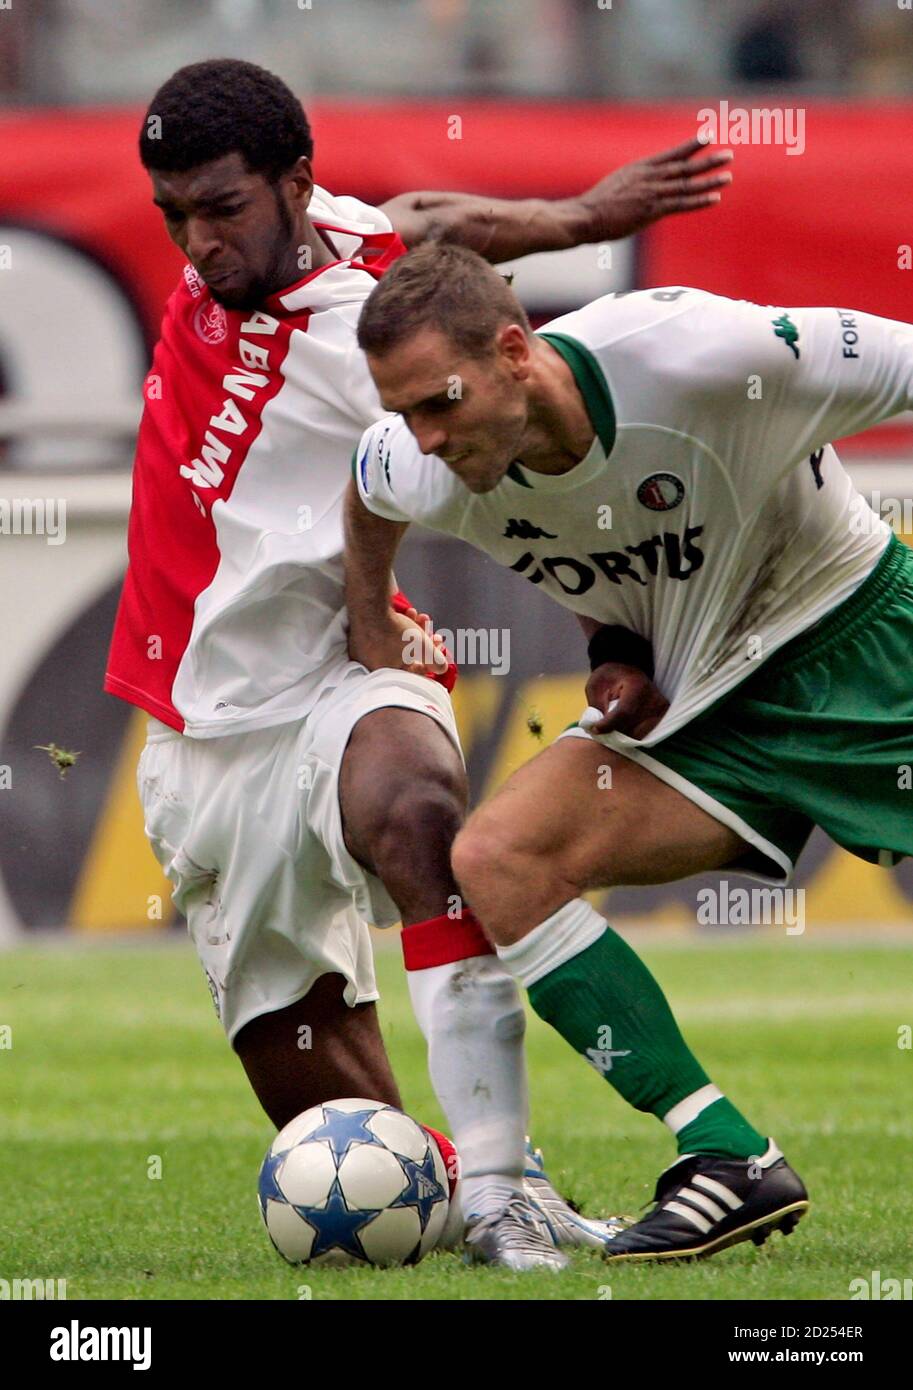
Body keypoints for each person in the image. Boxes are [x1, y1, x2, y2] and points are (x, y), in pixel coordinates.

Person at [104, 58, 736, 1268]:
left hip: (343, 687)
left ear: (293, 182)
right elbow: (434, 218)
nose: (198, 245)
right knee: (349, 1146)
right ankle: (467, 1189)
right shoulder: (334, 232)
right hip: (200, 734)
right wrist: (581, 218)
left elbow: (543, 462)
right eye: (173, 216)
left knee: (415, 814)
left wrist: (385, 620)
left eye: (223, 209)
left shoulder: (382, 342)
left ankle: (507, 1187)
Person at [344, 243, 913, 1260]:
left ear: (517, 352)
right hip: (701, 709)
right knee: (498, 855)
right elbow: (366, 490)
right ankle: (726, 1154)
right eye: (404, 413)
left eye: (438, 404)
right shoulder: (416, 463)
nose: (422, 440)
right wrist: (375, 622)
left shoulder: (702, 353)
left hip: (860, 643)